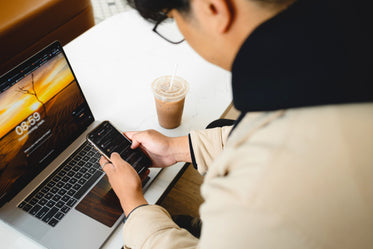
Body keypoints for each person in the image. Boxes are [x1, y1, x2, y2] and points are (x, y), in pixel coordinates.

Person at [99, 0, 373, 248]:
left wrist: (134, 206)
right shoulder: (343, 49)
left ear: (212, 8)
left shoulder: (260, 194)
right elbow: (265, 131)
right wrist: (176, 148)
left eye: (173, 19)